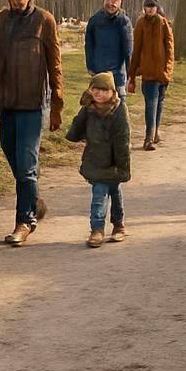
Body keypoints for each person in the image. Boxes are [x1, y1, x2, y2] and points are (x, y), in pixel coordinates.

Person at [0, 0, 64, 246]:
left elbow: (55, 64)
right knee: (13, 155)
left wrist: (57, 102)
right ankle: (34, 199)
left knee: (27, 164)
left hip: (34, 103)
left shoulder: (44, 21)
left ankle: (25, 221)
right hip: (7, 102)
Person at [67, 72, 132, 248]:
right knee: (101, 192)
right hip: (95, 159)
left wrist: (123, 167)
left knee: (113, 191)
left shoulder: (119, 110)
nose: (98, 93)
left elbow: (123, 140)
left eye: (103, 90)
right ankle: (98, 229)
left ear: (112, 91)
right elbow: (75, 132)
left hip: (113, 160)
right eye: (95, 89)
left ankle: (115, 225)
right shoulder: (89, 109)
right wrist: (83, 107)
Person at [127, 0, 174, 151]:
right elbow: (136, 49)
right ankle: (148, 137)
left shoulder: (163, 23)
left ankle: (155, 133)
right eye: (147, 7)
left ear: (157, 8)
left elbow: (170, 48)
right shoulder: (140, 24)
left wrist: (168, 70)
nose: (150, 9)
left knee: (159, 102)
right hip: (147, 72)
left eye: (152, 7)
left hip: (161, 73)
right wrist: (132, 75)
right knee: (151, 103)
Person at [85, 0, 133, 91]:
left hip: (117, 78)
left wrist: (131, 76)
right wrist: (90, 67)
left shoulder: (124, 22)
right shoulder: (94, 21)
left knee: (119, 107)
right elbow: (89, 46)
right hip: (98, 76)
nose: (110, 3)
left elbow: (128, 52)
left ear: (120, 1)